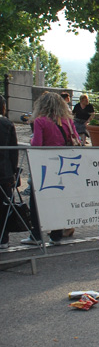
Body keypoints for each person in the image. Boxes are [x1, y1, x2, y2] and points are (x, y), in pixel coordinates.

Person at [21, 92, 80, 246]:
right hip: (64, 164)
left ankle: (36, 235)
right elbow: (77, 140)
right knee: (59, 201)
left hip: (45, 165)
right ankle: (56, 234)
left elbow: (37, 144)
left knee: (36, 201)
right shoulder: (67, 121)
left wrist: (31, 139)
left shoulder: (40, 121)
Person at [0, 95, 18, 249]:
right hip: (4, 171)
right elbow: (14, 151)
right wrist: (14, 171)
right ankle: (3, 238)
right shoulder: (7, 123)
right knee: (4, 205)